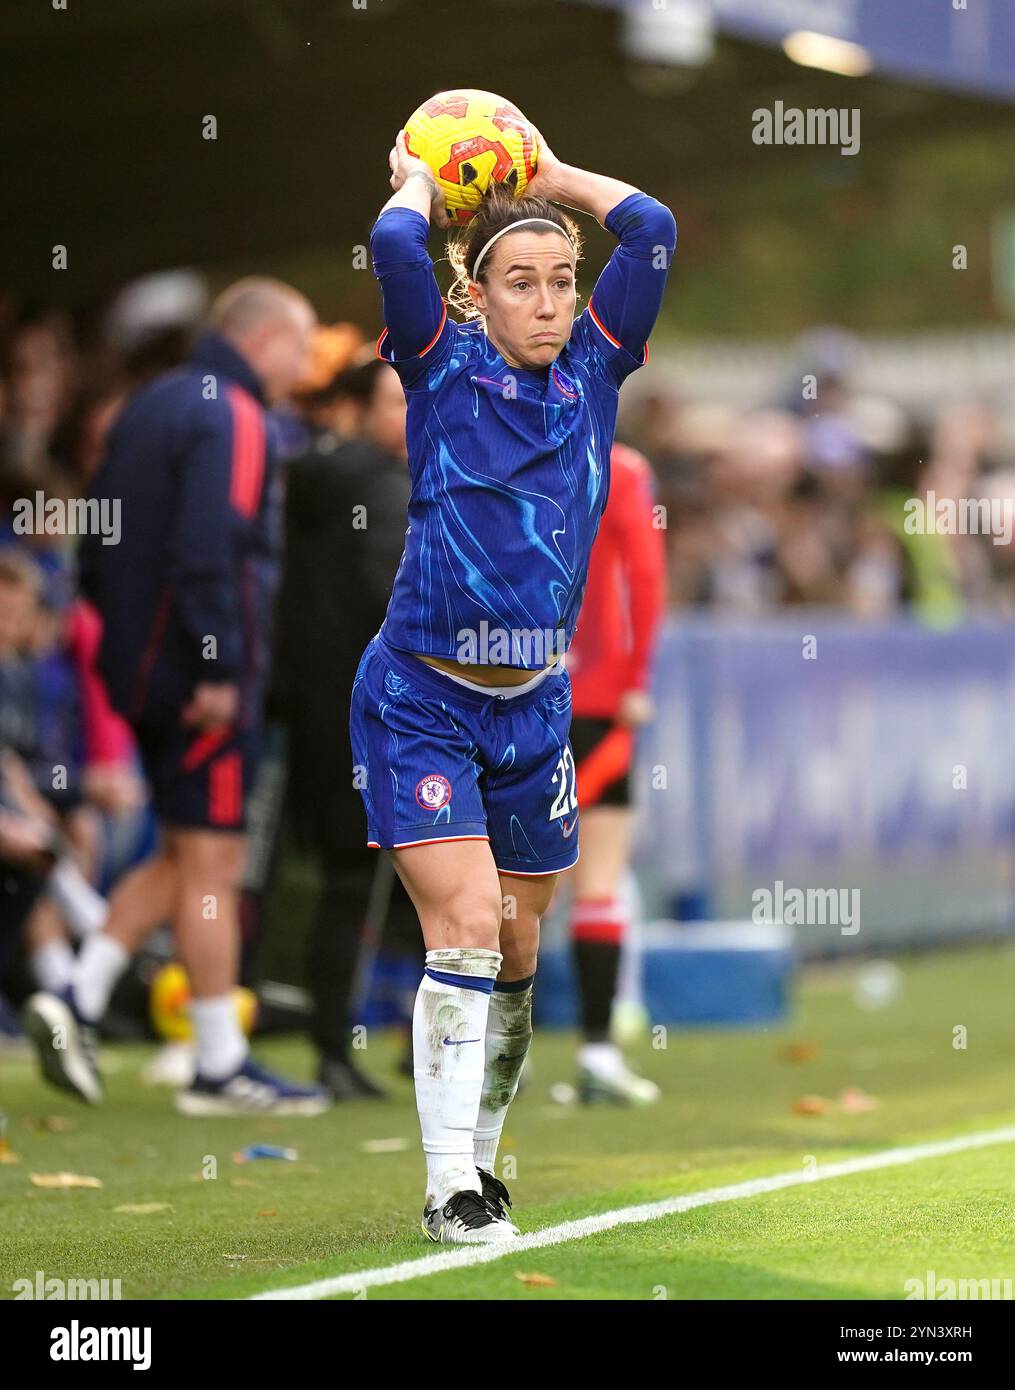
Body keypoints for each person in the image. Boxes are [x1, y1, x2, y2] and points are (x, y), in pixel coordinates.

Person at [350, 125, 675, 1241]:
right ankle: (446, 1184)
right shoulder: (437, 363)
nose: (546, 302)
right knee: (467, 928)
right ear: (474, 293)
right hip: (419, 695)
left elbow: (654, 228)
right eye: (520, 283)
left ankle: (482, 1155)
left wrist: (550, 180)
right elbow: (397, 248)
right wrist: (421, 181)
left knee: (522, 946)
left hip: (533, 706)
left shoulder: (594, 370)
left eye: (560, 282)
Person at [23, 277, 330, 1116]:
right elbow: (214, 545)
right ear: (263, 340)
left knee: (185, 852)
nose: (302, 371)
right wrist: (218, 666)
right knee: (214, 861)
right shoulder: (232, 413)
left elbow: (97, 543)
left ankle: (79, 998)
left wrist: (136, 662)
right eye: (300, 351)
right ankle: (217, 1064)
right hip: (200, 680)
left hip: (143, 672)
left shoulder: (147, 405)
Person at [278, 344, 423, 1099]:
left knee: (344, 878)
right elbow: (393, 593)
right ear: (362, 412)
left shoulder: (305, 478)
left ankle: (343, 1046)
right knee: (412, 872)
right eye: (396, 401)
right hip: (382, 712)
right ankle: (405, 1042)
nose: (410, 412)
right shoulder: (389, 486)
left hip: (312, 705)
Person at [560, 441, 666, 1103]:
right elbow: (645, 578)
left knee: (504, 883)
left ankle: (489, 1056)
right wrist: (636, 680)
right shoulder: (621, 468)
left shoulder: (487, 443)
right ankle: (597, 1052)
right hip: (595, 701)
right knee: (598, 882)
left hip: (504, 690)